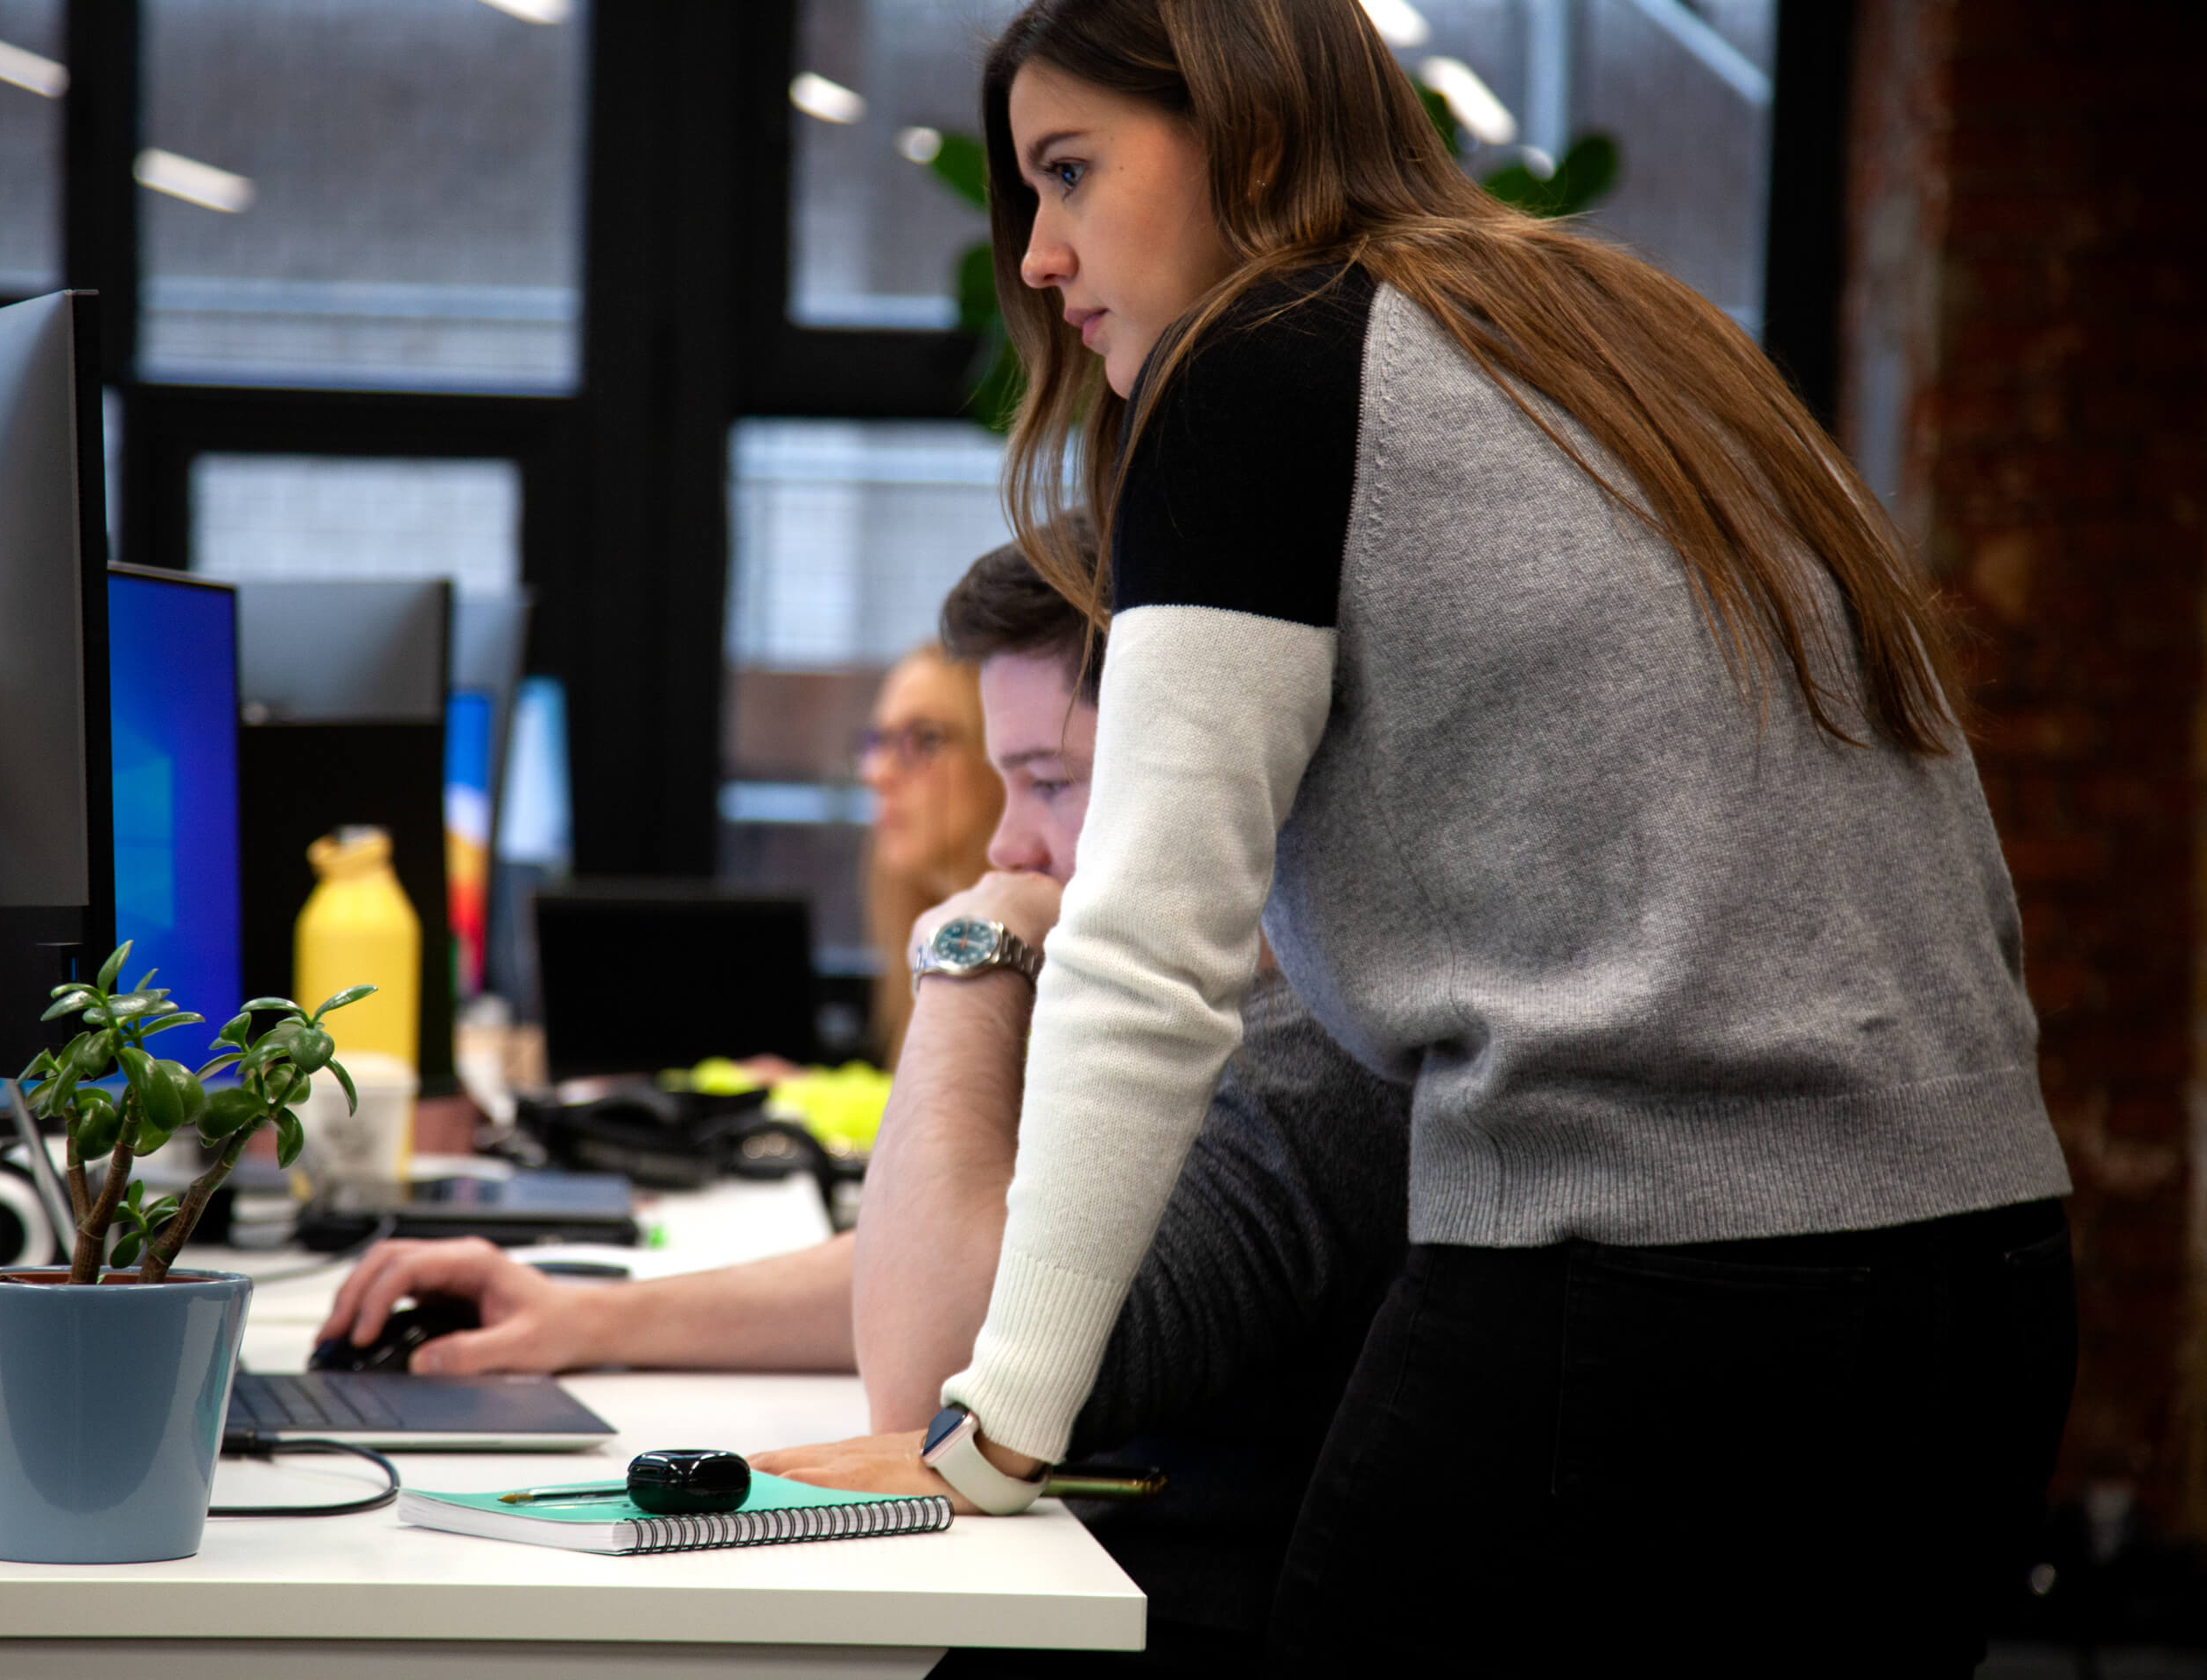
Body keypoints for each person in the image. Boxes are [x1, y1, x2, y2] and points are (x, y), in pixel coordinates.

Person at [765, 4, 2077, 1674]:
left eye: (1072, 172)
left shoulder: (1256, 366)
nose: (1038, 254)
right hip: (1987, 1286)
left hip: (1642, 1283)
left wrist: (998, 1429)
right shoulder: (1624, 328)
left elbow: (1150, 944)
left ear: (1239, 128)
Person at [317, 538, 1410, 1657]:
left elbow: (927, 1377)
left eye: (1050, 780)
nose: (1006, 840)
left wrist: (975, 954)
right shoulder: (1240, 1033)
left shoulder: (1308, 1066)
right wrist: (586, 1316)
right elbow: (980, 1265)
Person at [858, 644, 1003, 1067]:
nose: (876, 773)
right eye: (878, 740)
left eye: (924, 739)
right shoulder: (926, 934)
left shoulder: (1036, 961)